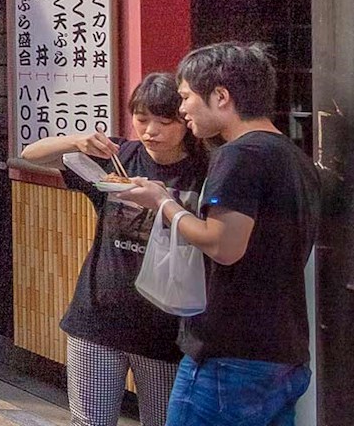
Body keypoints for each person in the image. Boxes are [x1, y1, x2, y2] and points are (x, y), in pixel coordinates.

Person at [112, 43, 317, 426]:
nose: (183, 108)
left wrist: (163, 203)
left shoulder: (239, 155)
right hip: (283, 353)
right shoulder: (293, 156)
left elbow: (224, 246)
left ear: (221, 96)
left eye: (187, 97)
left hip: (229, 356)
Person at [20, 73, 208, 426]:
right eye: (141, 120)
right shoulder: (120, 156)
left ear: (185, 122)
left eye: (164, 122)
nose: (150, 130)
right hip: (97, 317)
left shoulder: (204, 172)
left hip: (167, 328)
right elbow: (32, 154)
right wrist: (78, 141)